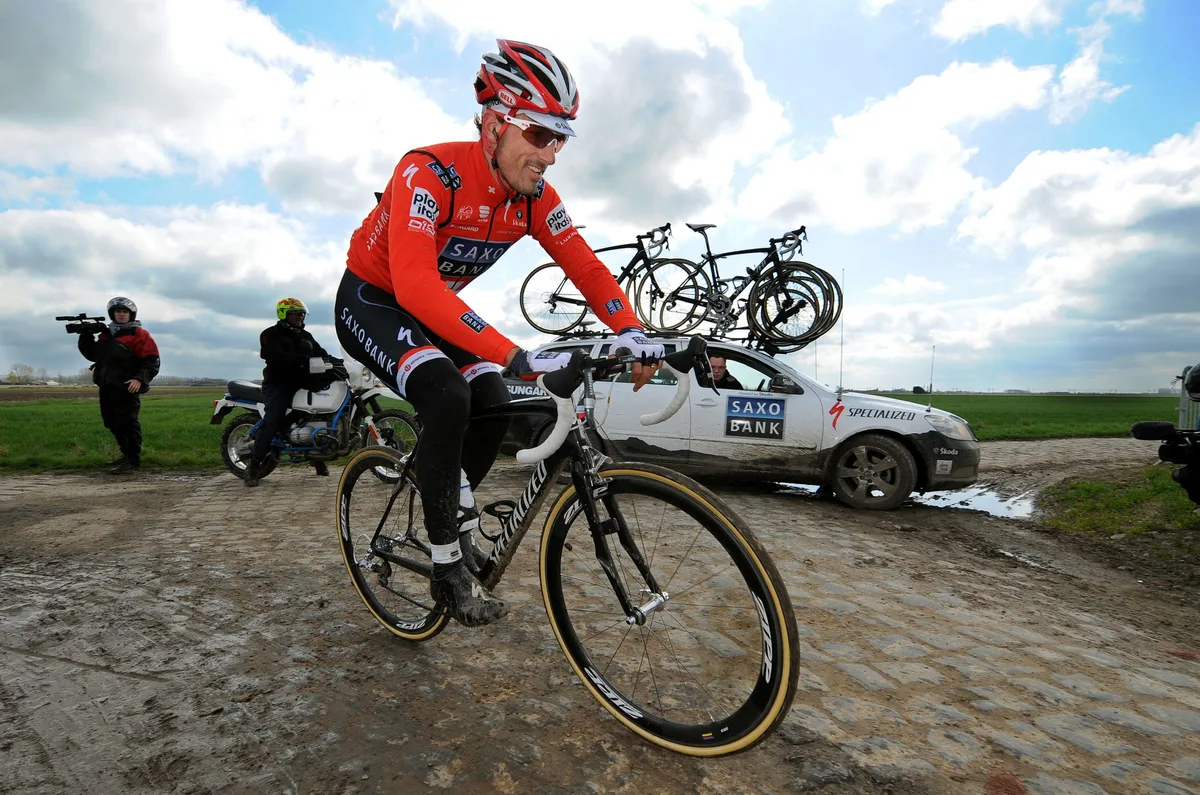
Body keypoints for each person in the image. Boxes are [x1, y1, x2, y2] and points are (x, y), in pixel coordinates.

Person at [336, 39, 664, 628]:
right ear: (493, 125)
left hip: (433, 307)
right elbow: (414, 288)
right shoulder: (427, 172)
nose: (552, 154)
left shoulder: (534, 197)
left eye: (560, 139)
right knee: (449, 393)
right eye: (539, 135)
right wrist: (515, 354)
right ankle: (446, 564)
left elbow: (585, 267)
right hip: (375, 300)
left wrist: (633, 330)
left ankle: (448, 506)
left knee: (491, 397)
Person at [245, 298, 338, 487]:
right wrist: (302, 360)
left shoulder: (306, 336)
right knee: (274, 419)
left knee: (313, 415)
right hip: (278, 383)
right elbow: (273, 356)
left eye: (302, 313)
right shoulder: (271, 334)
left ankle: (315, 454)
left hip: (301, 384)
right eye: (295, 313)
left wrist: (339, 364)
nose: (300, 316)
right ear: (283, 314)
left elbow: (322, 353)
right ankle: (253, 466)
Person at [77, 297, 160, 474]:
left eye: (125, 312)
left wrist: (139, 379)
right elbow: (93, 355)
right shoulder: (107, 334)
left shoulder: (139, 334)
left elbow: (152, 361)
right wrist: (85, 336)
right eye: (118, 311)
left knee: (128, 423)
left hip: (127, 386)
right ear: (112, 314)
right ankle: (125, 455)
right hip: (107, 384)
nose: (121, 314)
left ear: (131, 314)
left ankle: (133, 460)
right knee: (111, 422)